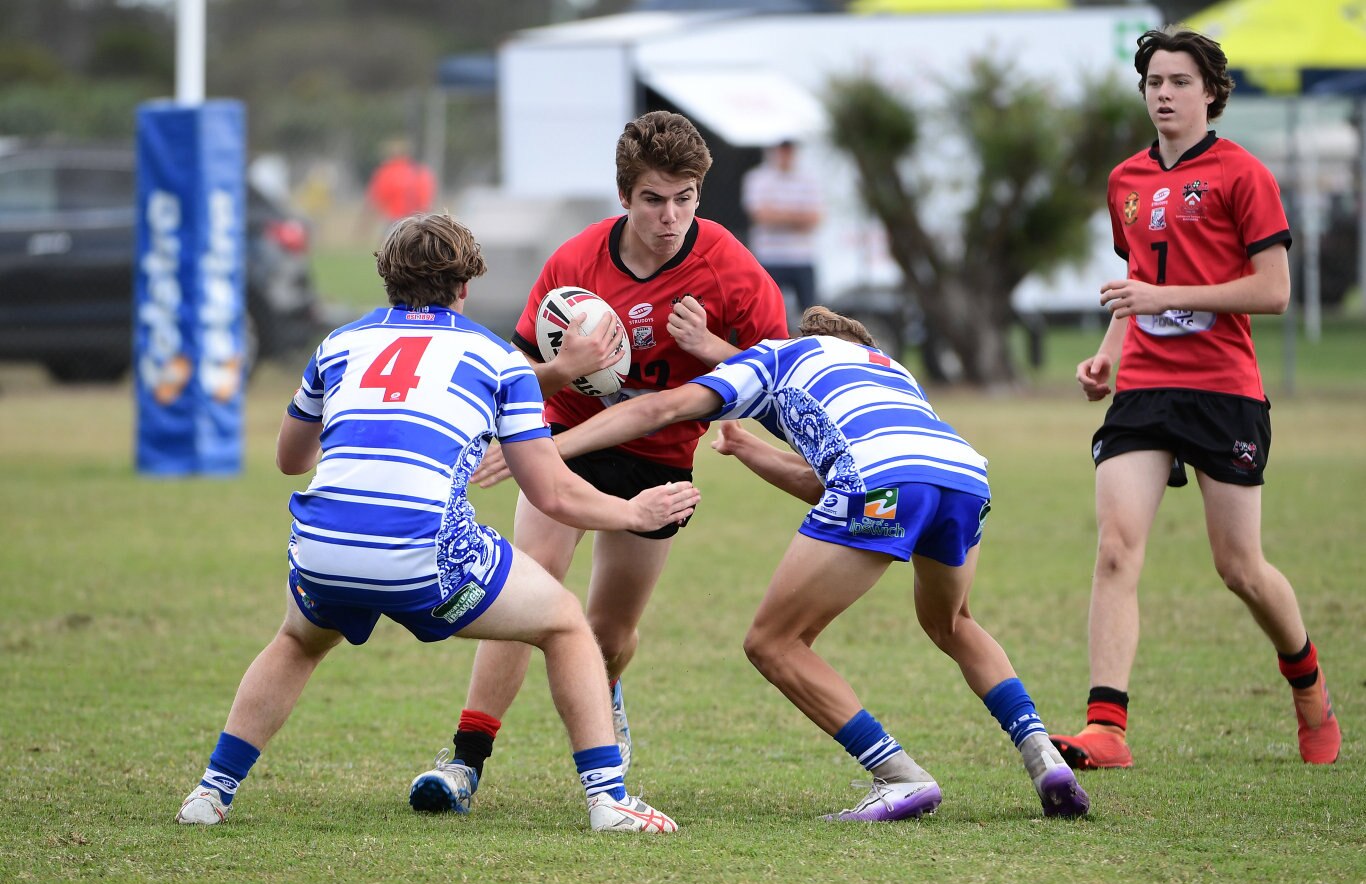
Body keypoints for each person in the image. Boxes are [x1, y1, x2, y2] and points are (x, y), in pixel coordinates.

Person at [175, 214, 699, 834]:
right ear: (466, 284)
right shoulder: (496, 358)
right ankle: (609, 802)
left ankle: (210, 794)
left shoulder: (338, 345)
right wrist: (632, 512)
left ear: (387, 277)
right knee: (564, 625)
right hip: (421, 549)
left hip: (322, 543)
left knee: (297, 641)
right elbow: (552, 493)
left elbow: (290, 460)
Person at [473, 306, 1091, 821]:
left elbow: (658, 409)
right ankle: (1044, 758)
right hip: (961, 474)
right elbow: (841, 484)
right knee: (953, 621)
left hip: (883, 477)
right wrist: (749, 449)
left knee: (773, 641)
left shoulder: (777, 356)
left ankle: (900, 776)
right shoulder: (890, 369)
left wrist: (547, 448)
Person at [421, 111, 788, 805]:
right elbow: (521, 372)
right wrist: (564, 370)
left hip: (658, 457)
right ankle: (464, 761)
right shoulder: (576, 261)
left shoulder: (728, 267)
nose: (670, 216)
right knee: (524, 590)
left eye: (685, 199)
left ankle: (607, 684)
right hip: (569, 436)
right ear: (625, 197)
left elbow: (785, 372)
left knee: (609, 632)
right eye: (654, 199)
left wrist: (715, 352)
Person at [1049, 27, 1341, 771]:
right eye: (1153, 82)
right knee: (1115, 549)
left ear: (1211, 91)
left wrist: (1161, 295)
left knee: (1239, 567)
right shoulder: (1125, 181)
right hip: (1145, 385)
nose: (1164, 94)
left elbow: (1272, 291)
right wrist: (1107, 357)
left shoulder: (1244, 174)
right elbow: (1134, 289)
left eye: (1179, 81)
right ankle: (1106, 728)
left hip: (1221, 388)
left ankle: (1306, 682)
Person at [741, 139, 824, 321]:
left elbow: (815, 219)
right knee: (765, 313)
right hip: (769, 257)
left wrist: (777, 214)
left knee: (811, 315)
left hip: (801, 257)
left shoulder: (809, 178)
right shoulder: (758, 177)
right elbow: (761, 216)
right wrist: (798, 216)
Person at [365, 138, 435, 227]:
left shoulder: (387, 171)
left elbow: (377, 196)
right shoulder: (419, 171)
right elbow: (426, 196)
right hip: (418, 218)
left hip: (395, 218)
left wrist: (367, 220)